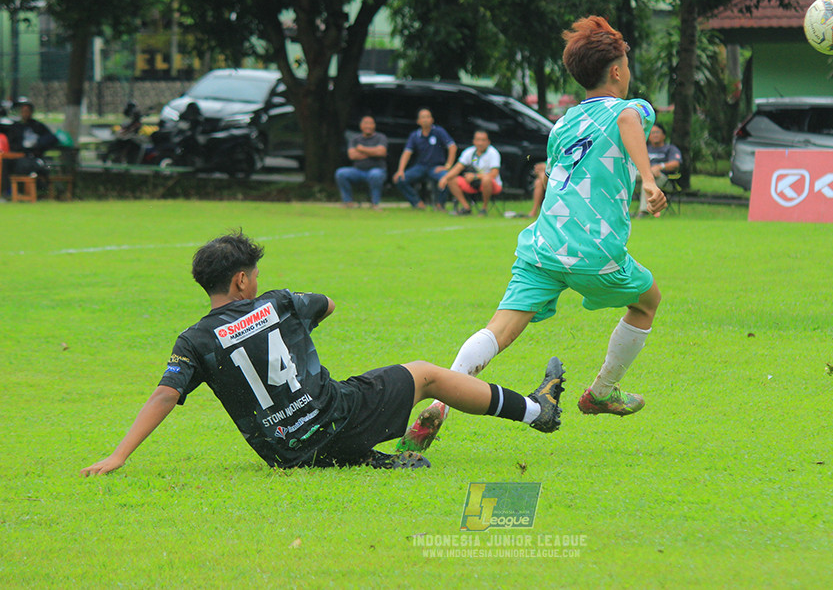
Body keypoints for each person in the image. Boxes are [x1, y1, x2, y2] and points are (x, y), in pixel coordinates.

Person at [80, 231, 566, 476]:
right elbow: (329, 305)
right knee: (424, 375)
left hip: (285, 454)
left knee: (337, 412)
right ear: (242, 281)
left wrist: (119, 455)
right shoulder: (280, 303)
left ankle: (370, 460)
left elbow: (165, 395)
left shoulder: (194, 341)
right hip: (333, 417)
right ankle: (536, 411)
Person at [397, 16, 667, 453]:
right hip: (592, 251)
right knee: (647, 302)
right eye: (626, 63)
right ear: (617, 71)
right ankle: (603, 390)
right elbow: (629, 122)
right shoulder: (629, 108)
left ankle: (441, 406)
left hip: (542, 245)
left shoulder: (561, 125)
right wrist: (648, 179)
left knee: (499, 329)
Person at [392, 108, 457, 210]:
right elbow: (406, 153)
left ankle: (440, 204)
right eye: (423, 117)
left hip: (436, 167)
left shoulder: (439, 131)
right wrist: (400, 170)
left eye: (428, 117)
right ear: (418, 121)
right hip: (421, 167)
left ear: (432, 119)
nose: (425, 119)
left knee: (447, 177)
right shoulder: (414, 135)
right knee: (400, 179)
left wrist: (447, 166)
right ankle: (417, 203)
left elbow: (452, 147)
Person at [440, 130, 503, 215]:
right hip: (473, 183)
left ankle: (484, 208)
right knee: (452, 180)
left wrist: (475, 176)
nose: (480, 143)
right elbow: (458, 167)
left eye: (483, 140)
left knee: (486, 179)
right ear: (474, 141)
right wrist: (445, 178)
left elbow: (494, 174)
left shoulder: (493, 153)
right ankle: (466, 207)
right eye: (478, 140)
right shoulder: (469, 152)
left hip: (491, 184)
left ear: (488, 142)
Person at [335, 115, 389, 209]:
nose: (368, 126)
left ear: (374, 125)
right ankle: (348, 202)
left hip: (377, 169)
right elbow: (352, 155)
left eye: (370, 123)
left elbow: (382, 152)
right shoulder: (355, 139)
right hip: (358, 171)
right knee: (341, 173)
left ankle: (375, 203)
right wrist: (373, 152)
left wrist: (361, 149)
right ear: (361, 126)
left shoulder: (381, 137)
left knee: (375, 175)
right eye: (365, 123)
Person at [637, 122, 682, 216]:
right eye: (652, 133)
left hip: (665, 180)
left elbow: (676, 163)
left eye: (657, 132)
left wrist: (660, 167)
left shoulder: (670, 149)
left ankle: (643, 212)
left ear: (664, 135)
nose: (655, 135)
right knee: (628, 175)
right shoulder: (645, 149)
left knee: (647, 179)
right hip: (644, 176)